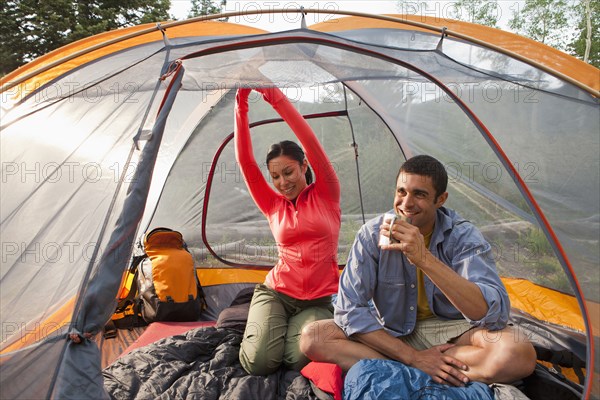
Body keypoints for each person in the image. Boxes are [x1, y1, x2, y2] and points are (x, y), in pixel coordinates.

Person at [300, 155, 537, 386]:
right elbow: (349, 308)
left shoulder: (463, 236)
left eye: (419, 194)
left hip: (452, 332)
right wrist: (413, 357)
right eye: (401, 192)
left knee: (517, 354)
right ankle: (419, 368)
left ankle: (412, 369)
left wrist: (424, 259)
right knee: (313, 337)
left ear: (441, 199)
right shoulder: (372, 234)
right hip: (391, 330)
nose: (406, 203)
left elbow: (492, 313)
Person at [234, 87, 341, 375]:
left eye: (289, 172)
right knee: (259, 363)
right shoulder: (272, 204)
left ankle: (278, 331)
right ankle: (266, 326)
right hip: (277, 292)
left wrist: (272, 95)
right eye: (275, 176)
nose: (283, 182)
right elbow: (246, 162)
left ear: (305, 165)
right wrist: (241, 103)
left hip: (319, 299)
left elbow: (309, 138)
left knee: (296, 360)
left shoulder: (327, 193)